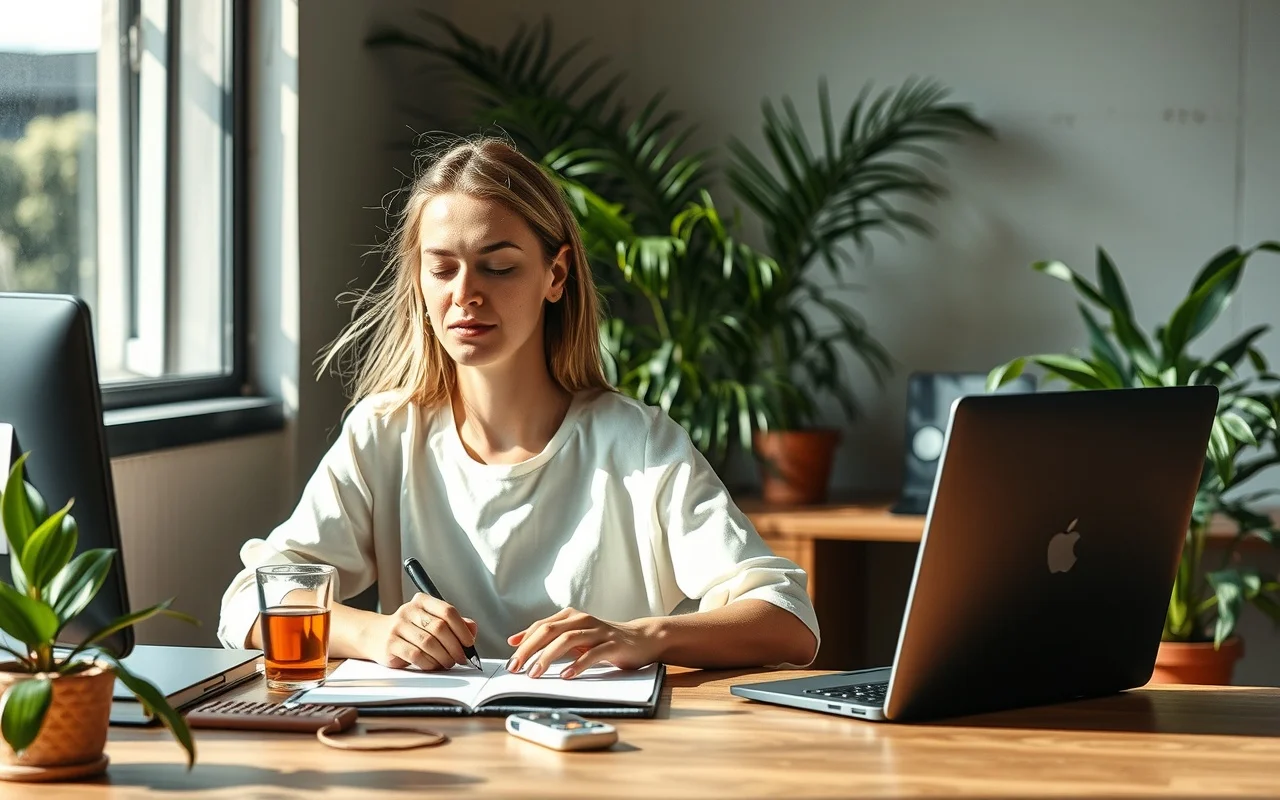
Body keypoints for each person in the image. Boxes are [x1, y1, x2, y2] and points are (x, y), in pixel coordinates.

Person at [218, 137, 819, 678]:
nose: (465, 295)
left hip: (604, 757)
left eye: (498, 267)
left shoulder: (636, 444)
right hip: (435, 758)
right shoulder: (384, 432)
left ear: (555, 275)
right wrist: (376, 632)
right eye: (442, 269)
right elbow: (247, 601)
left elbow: (789, 620)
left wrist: (640, 636)